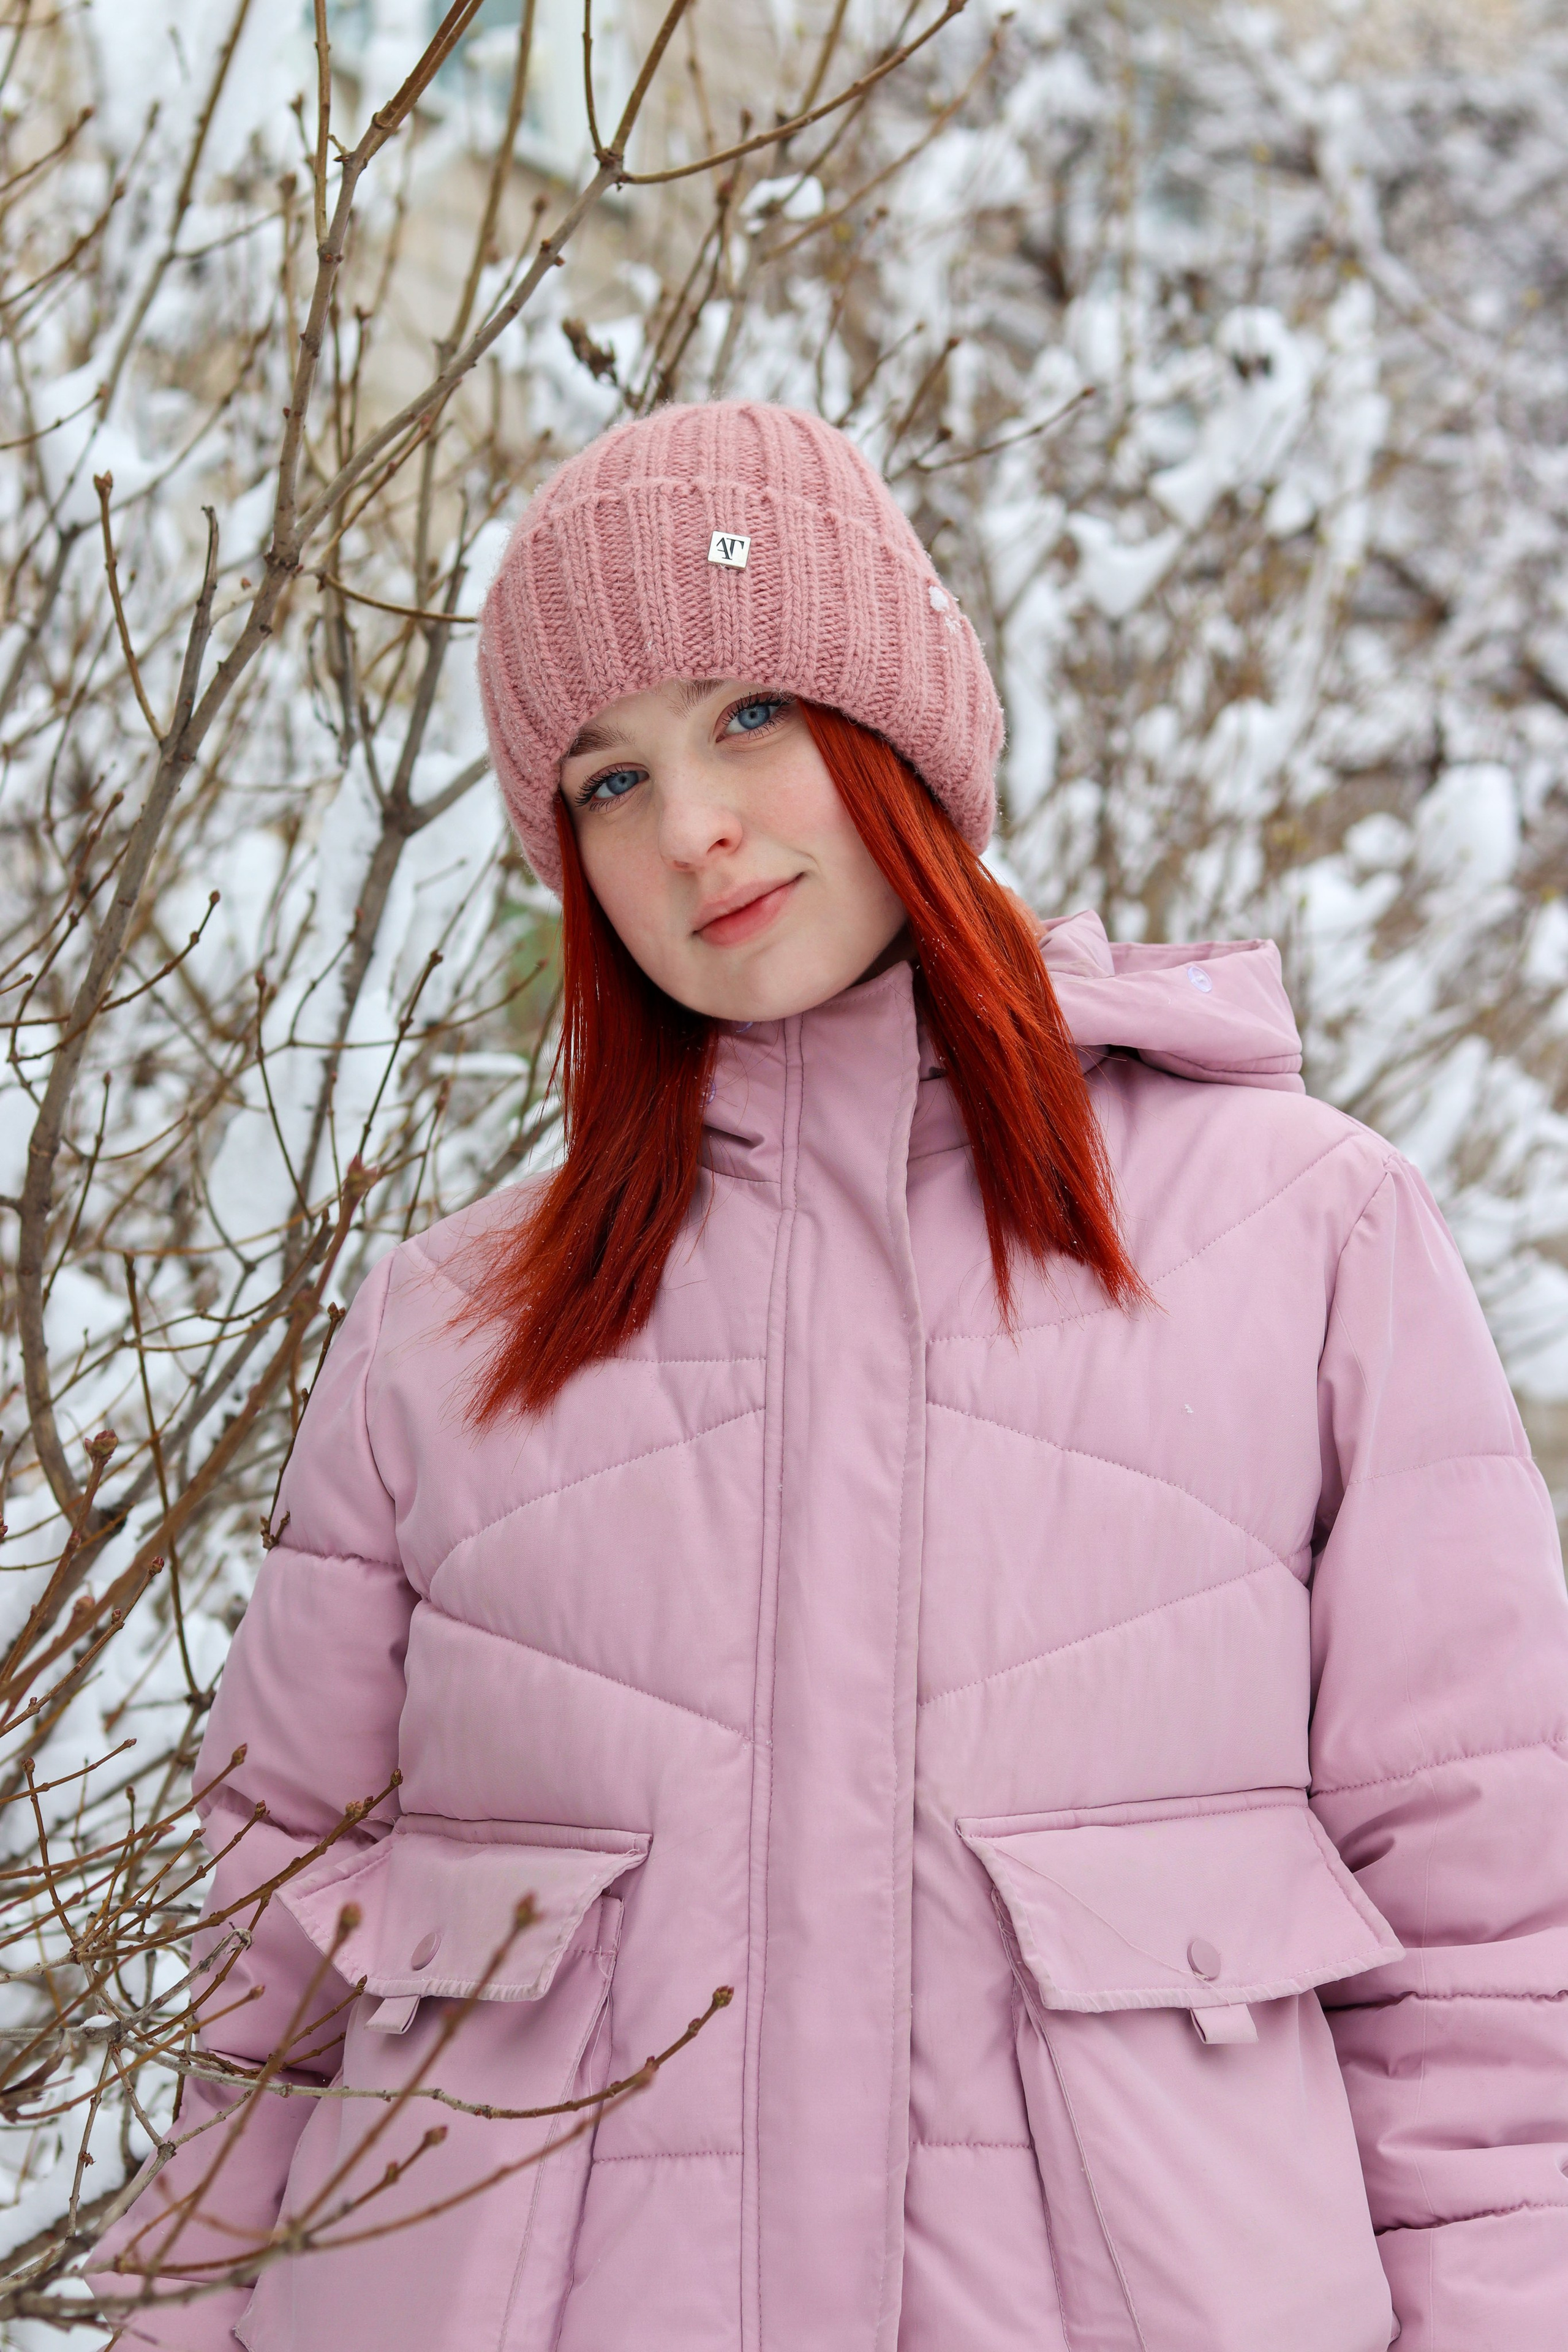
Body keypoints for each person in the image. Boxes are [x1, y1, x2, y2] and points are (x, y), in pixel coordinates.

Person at [96, 402, 1568, 2352]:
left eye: (752, 716)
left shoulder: (1298, 1238)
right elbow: (263, 1988)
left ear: (899, 733)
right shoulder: (446, 1334)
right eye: (605, 782)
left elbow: (1491, 1953)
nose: (691, 824)